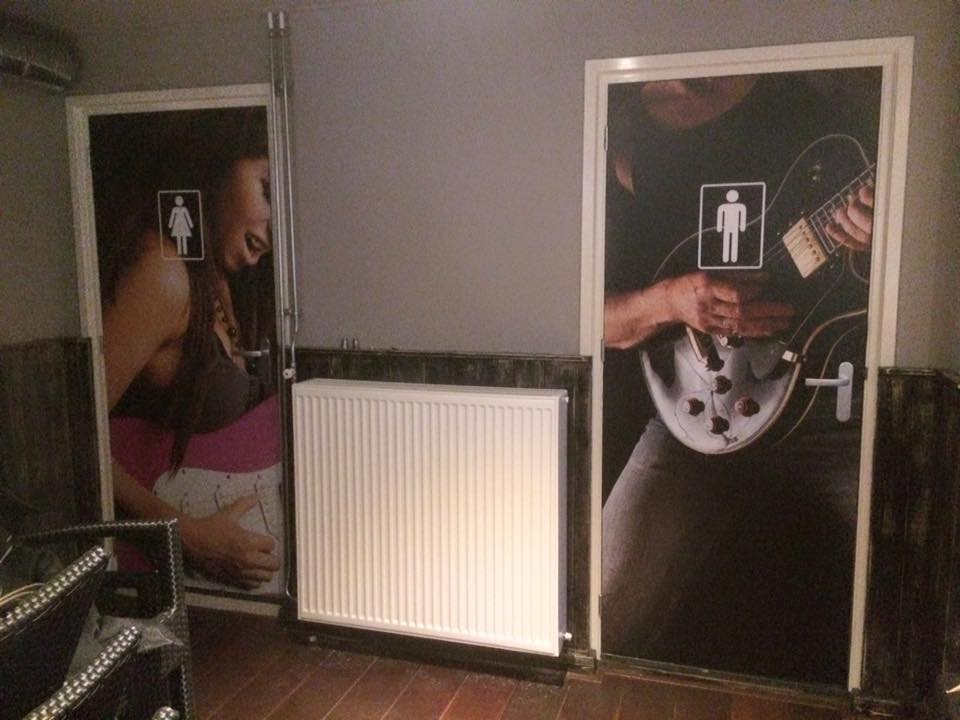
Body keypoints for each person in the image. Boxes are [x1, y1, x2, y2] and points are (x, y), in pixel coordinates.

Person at [600, 72, 877, 682]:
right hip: (691, 411)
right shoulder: (620, 127)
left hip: (830, 409)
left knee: (905, 619)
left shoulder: (823, 89)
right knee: (602, 622)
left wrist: (879, 238)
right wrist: (671, 301)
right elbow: (592, 317)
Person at [93, 108, 280, 590]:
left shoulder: (228, 280)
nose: (277, 227)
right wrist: (185, 538)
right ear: (218, 168)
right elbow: (78, 439)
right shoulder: (164, 272)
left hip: (233, 594)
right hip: (171, 586)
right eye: (266, 190)